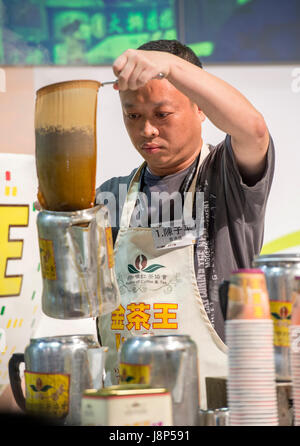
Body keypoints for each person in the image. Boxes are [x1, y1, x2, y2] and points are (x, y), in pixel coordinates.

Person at [95, 40, 274, 408]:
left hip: (217, 406)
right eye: (133, 116)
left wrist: (172, 68)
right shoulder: (109, 196)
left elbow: (254, 131)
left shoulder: (226, 175)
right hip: (128, 406)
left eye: (162, 115)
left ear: (199, 107)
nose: (147, 130)